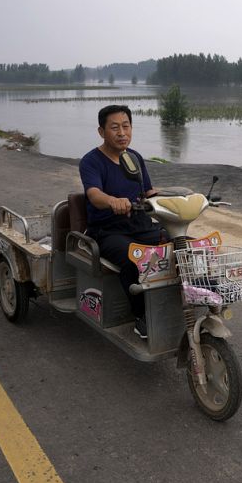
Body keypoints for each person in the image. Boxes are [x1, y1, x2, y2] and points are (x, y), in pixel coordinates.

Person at [79, 105, 164, 339]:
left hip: (139, 224)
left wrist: (173, 199)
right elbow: (94, 194)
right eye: (114, 127)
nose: (121, 133)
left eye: (126, 126)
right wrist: (113, 201)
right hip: (107, 230)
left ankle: (187, 296)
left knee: (178, 242)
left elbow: (148, 192)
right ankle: (141, 316)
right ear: (101, 131)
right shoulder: (91, 161)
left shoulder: (134, 157)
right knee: (134, 258)